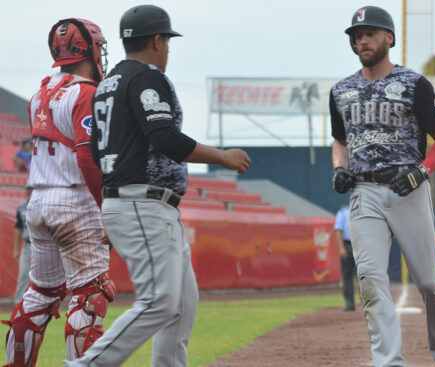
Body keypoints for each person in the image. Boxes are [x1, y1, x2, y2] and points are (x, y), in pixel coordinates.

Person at [66, 5, 251, 367]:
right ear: (156, 40)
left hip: (137, 202)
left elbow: (94, 148)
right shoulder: (146, 76)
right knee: (160, 301)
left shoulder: (109, 83)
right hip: (141, 201)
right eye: (166, 41)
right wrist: (223, 157)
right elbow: (165, 137)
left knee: (181, 305)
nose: (167, 48)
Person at [329, 6, 435, 367]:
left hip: (407, 189)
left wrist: (422, 172)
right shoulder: (341, 91)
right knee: (371, 279)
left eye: (370, 34)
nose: (362, 40)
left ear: (389, 38)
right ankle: (388, 362)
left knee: (428, 282)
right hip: (364, 193)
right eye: (357, 36)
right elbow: (339, 140)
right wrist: (338, 168)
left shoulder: (413, 84)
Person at [4, 18, 115, 366]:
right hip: (75, 201)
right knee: (88, 295)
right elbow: (86, 156)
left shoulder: (40, 92)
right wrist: (107, 208)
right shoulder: (86, 93)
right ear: (91, 50)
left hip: (38, 201)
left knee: (39, 294)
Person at [11, 184, 33, 304]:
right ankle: (18, 306)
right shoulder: (21, 208)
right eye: (27, 189)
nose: (29, 191)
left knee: (41, 278)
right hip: (27, 244)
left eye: (31, 189)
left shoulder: (42, 205)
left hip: (41, 245)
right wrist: (15, 249)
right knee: (23, 276)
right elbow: (18, 228)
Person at [334, 205, 356, 311]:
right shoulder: (343, 212)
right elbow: (338, 230)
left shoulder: (363, 209)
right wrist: (341, 248)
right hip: (347, 245)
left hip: (360, 244)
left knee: (367, 275)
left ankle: (369, 303)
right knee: (347, 277)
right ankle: (349, 304)